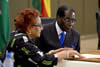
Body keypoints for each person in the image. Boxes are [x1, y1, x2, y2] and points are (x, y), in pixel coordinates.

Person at [6, 8, 84, 67]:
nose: (42, 28)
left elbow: (32, 56)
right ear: (29, 28)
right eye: (39, 25)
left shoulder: (18, 35)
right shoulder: (21, 41)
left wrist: (51, 53)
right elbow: (43, 61)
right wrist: (65, 54)